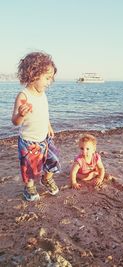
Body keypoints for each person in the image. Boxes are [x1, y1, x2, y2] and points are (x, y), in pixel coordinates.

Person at [12, 51, 60, 201]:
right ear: (33, 74)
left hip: (44, 138)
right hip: (29, 141)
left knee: (54, 159)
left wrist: (49, 126)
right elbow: (15, 121)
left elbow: (44, 113)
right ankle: (29, 187)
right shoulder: (24, 95)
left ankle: (46, 178)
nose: (49, 81)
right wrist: (21, 114)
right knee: (30, 168)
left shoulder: (43, 93)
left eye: (51, 78)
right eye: (47, 78)